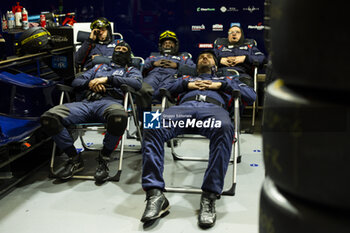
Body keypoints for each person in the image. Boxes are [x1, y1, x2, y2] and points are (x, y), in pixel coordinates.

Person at [140, 50, 256, 228]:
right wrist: (187, 85)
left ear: (215, 66)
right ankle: (155, 194)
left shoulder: (227, 80)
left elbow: (251, 95)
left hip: (213, 111)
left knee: (225, 128)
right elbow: (158, 91)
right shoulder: (184, 78)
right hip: (183, 110)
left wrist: (221, 86)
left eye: (209, 56)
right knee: (151, 124)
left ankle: (209, 196)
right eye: (201, 56)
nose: (204, 57)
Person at [40, 41, 142, 183]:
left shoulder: (131, 70)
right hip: (86, 103)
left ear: (128, 55)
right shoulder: (99, 67)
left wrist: (107, 80)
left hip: (110, 103)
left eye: (124, 49)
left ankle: (104, 157)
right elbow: (76, 82)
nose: (119, 51)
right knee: (49, 118)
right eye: (117, 49)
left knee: (119, 118)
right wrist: (90, 84)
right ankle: (74, 158)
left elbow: (137, 84)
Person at [137, 30, 196, 111]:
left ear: (175, 45)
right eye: (165, 43)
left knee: (165, 90)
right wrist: (153, 63)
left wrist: (177, 65)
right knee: (142, 89)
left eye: (170, 43)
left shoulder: (183, 58)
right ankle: (143, 119)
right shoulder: (153, 57)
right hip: (152, 77)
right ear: (161, 46)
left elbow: (193, 70)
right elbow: (141, 68)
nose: (167, 44)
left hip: (171, 78)